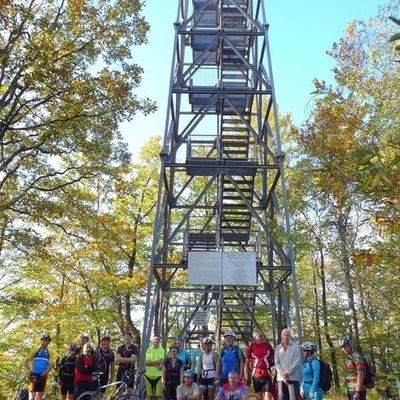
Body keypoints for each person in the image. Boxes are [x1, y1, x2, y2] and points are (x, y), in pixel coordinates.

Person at [244, 328, 275, 400]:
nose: (262, 337)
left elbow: (275, 357)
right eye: (260, 336)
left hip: (267, 374)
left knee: (268, 397)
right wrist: (246, 378)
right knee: (259, 397)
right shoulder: (251, 347)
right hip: (256, 375)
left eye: (262, 335)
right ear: (255, 338)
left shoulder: (267, 346)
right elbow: (246, 363)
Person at [23, 333, 54, 400]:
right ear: (41, 341)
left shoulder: (49, 353)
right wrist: (29, 371)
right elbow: (25, 362)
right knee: (32, 398)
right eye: (43, 340)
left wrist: (44, 373)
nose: (45, 342)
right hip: (33, 375)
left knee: (39, 398)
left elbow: (51, 365)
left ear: (48, 342)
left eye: (47, 341)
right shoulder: (35, 351)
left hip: (42, 376)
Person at [274, 328, 302, 400]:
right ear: (281, 336)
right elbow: (276, 362)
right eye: (284, 335)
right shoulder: (277, 348)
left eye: (287, 335)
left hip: (293, 377)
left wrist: (287, 373)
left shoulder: (295, 347)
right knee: (281, 397)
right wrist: (282, 374)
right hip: (281, 378)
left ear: (290, 336)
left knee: (293, 397)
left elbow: (296, 362)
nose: (286, 337)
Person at [340, 336, 367, 400]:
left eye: (345, 346)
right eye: (342, 347)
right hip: (351, 389)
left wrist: (357, 391)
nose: (344, 349)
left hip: (358, 390)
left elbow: (360, 374)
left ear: (350, 345)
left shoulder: (357, 357)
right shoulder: (348, 358)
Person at [145, 335, 166, 400]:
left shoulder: (162, 350)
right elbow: (146, 363)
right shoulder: (148, 350)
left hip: (158, 375)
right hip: (148, 374)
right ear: (152, 340)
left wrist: (150, 363)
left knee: (159, 396)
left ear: (159, 341)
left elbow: (160, 361)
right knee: (149, 396)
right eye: (155, 339)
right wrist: (156, 365)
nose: (156, 341)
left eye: (158, 340)